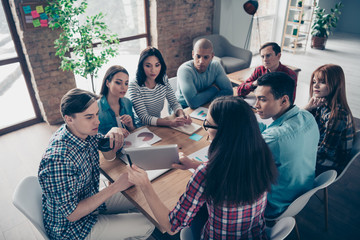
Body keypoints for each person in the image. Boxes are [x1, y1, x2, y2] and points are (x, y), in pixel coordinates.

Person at [127, 96, 278, 239]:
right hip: (256, 234)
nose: (206, 129)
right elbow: (230, 171)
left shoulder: (206, 174)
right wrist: (195, 165)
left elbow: (171, 227)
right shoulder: (262, 154)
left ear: (224, 133)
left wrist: (145, 184)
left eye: (207, 124)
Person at [38, 88, 154, 240]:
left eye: (97, 114)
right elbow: (72, 215)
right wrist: (115, 187)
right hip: (73, 229)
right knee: (149, 223)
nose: (97, 121)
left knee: (143, 197)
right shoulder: (57, 160)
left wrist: (112, 132)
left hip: (89, 200)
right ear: (69, 119)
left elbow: (104, 147)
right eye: (89, 117)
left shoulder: (81, 132)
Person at [253, 72, 319, 218]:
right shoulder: (308, 116)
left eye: (262, 99)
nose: (255, 105)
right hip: (302, 193)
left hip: (275, 206)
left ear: (284, 101)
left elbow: (237, 162)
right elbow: (273, 132)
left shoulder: (274, 139)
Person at [304, 64, 355, 176]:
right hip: (317, 150)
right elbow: (303, 125)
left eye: (322, 82)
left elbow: (326, 152)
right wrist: (307, 108)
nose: (315, 86)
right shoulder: (321, 102)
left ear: (335, 84)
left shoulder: (337, 115)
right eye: (314, 82)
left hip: (329, 164)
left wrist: (299, 151)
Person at [128, 47, 191, 127]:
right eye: (148, 66)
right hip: (140, 127)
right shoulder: (134, 85)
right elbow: (144, 117)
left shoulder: (163, 78)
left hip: (158, 124)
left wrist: (181, 115)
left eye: (157, 65)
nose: (153, 70)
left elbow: (174, 102)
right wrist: (170, 123)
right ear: (141, 66)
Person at [176, 38, 233, 109]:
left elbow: (229, 91)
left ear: (212, 56)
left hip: (205, 104)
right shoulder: (184, 70)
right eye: (198, 56)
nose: (201, 61)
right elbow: (193, 103)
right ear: (193, 54)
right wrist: (215, 88)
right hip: (182, 108)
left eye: (206, 57)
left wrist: (201, 98)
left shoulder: (216, 66)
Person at [98, 65, 137, 136]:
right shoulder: (96, 107)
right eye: (118, 82)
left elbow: (133, 130)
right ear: (107, 83)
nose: (123, 87)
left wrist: (130, 126)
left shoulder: (128, 102)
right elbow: (93, 139)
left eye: (126, 83)